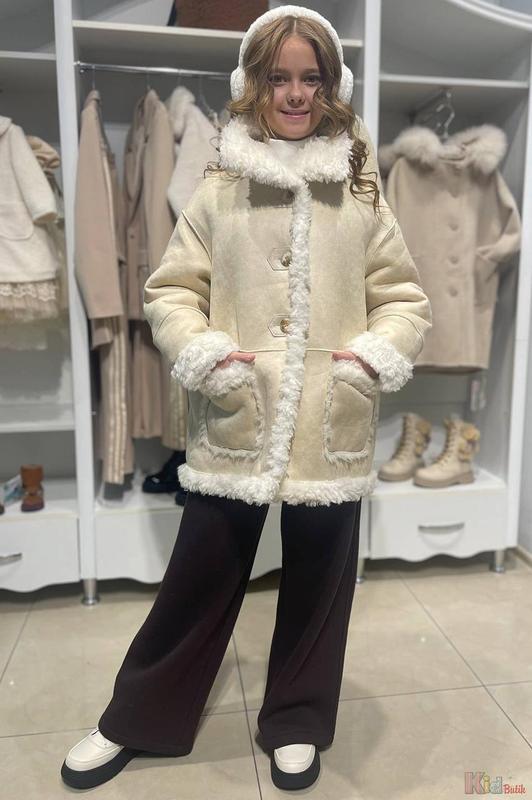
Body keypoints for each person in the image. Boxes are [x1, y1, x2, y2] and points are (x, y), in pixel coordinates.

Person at [61, 4, 432, 793]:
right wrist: (204, 355)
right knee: (199, 574)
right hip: (237, 415)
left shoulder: (359, 190)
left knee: (322, 580)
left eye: (311, 78)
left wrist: (371, 359)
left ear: (332, 87)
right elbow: (169, 291)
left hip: (332, 416)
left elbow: (404, 299)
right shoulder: (221, 187)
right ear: (252, 85)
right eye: (278, 78)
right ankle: (137, 717)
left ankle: (297, 720)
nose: (294, 94)